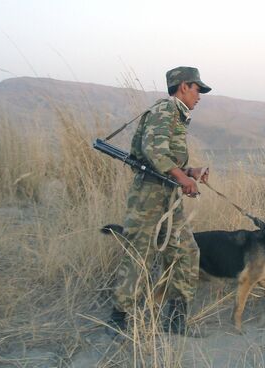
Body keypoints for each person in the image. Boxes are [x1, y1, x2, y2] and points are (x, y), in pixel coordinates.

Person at [108, 66, 212, 336]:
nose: (199, 96)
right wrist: (182, 178)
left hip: (168, 194)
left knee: (186, 252)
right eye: (197, 89)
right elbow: (152, 151)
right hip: (148, 196)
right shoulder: (166, 110)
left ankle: (175, 322)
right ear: (184, 87)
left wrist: (189, 173)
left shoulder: (177, 115)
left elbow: (165, 158)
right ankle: (118, 320)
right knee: (139, 254)